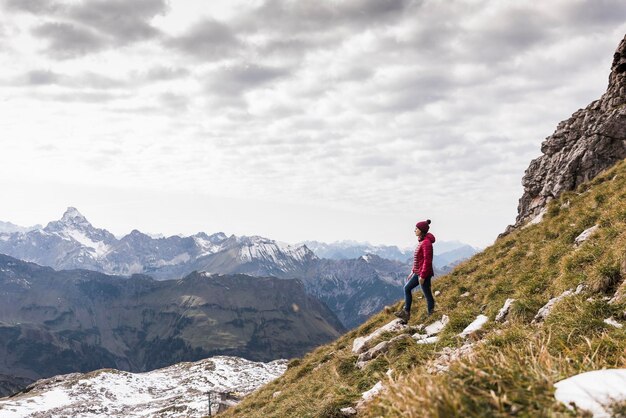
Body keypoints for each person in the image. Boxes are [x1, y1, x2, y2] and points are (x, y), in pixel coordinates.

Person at [395, 219, 436, 323]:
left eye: (416, 229)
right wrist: (413, 271)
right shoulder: (422, 241)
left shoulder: (426, 243)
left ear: (421, 230)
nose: (414, 230)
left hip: (424, 273)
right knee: (407, 288)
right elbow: (419, 259)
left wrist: (422, 276)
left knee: (427, 295)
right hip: (418, 272)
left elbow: (427, 260)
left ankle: (431, 316)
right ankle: (406, 313)